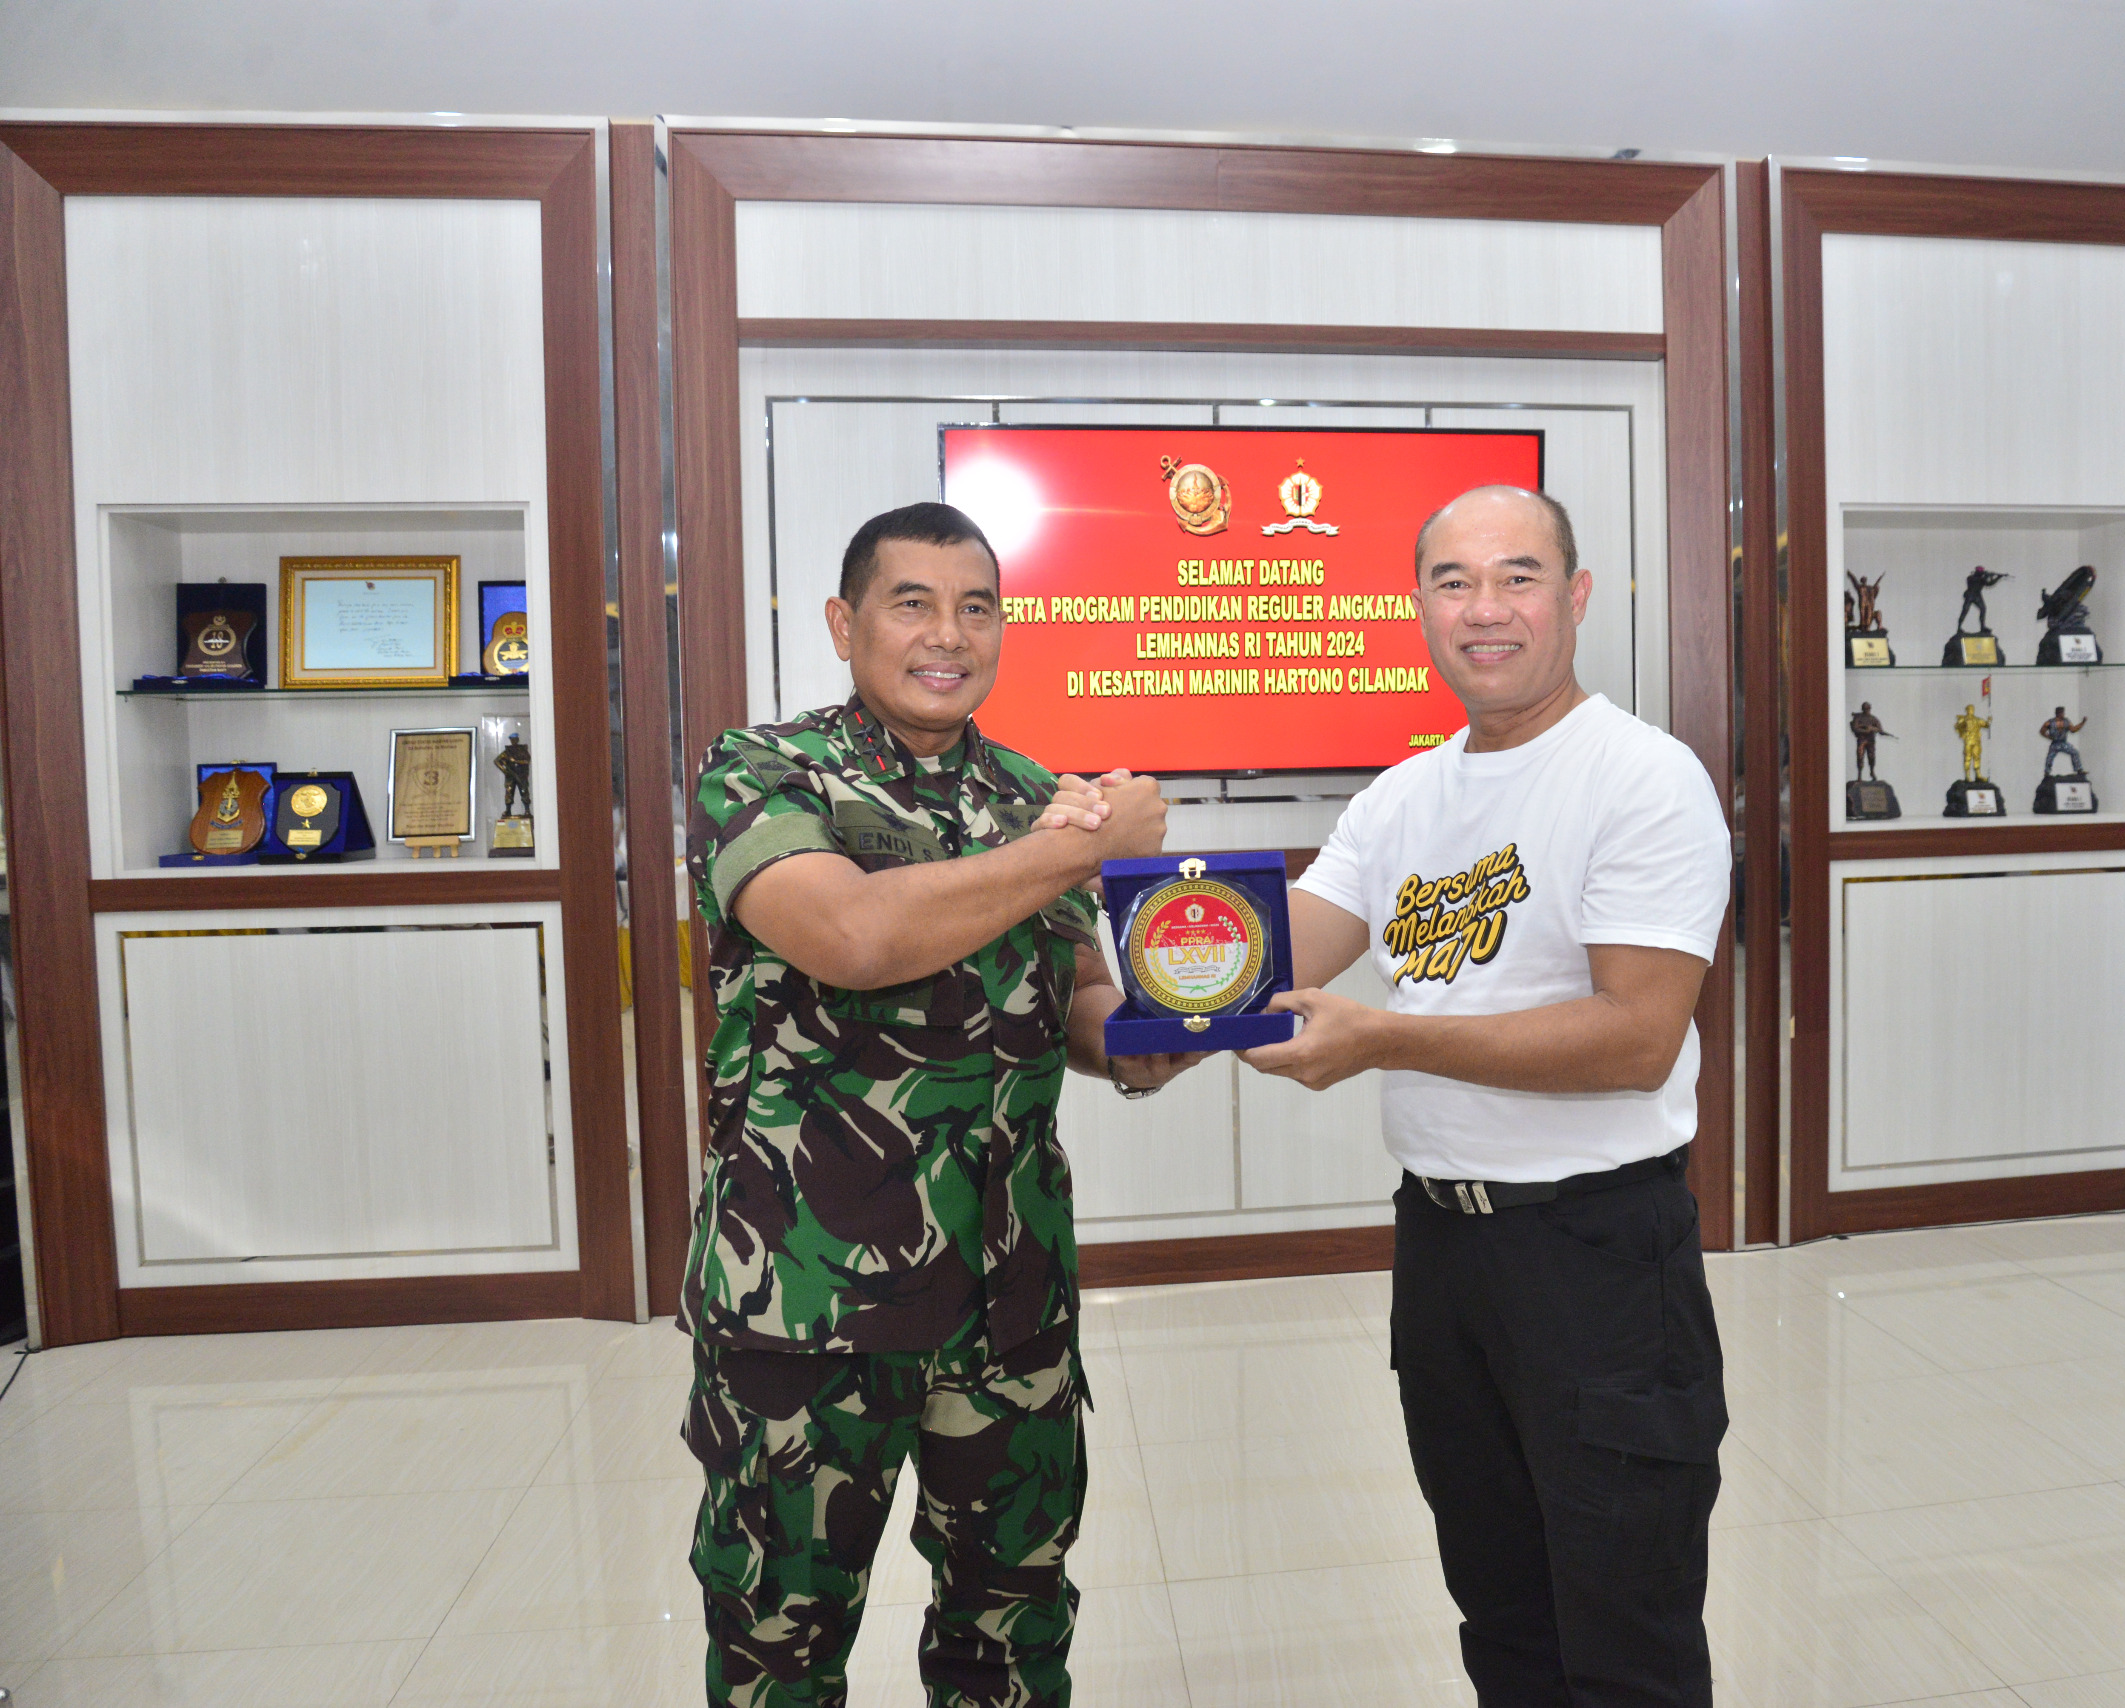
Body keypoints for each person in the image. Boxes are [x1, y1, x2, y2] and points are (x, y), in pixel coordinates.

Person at [678, 501, 1199, 1708]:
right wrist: (1077, 847)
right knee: (778, 1650)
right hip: (806, 1305)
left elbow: (1078, 998)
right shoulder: (763, 771)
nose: (947, 634)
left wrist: (1152, 1039)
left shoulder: (1031, 793)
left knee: (1009, 1634)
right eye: (911, 603)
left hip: (1008, 1298)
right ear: (842, 622)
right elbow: (851, 936)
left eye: (976, 607)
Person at [1243, 485, 1732, 1706]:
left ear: (1576, 596)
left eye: (1518, 576)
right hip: (1442, 1253)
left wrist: (1386, 1039)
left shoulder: (1641, 777)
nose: (1485, 608)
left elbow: (1636, 1037)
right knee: (1502, 1614)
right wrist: (1105, 890)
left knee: (1624, 1636)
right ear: (1418, 606)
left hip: (1596, 1255)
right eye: (1453, 581)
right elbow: (1268, 958)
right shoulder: (1402, 796)